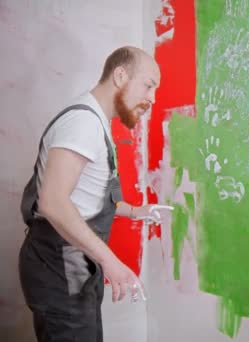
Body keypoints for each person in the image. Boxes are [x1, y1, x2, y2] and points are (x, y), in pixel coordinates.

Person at [18, 46, 173, 341]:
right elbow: (53, 202)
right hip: (58, 267)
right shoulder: (83, 123)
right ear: (120, 75)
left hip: (76, 264)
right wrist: (110, 261)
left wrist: (137, 211)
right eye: (149, 85)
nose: (152, 99)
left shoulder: (97, 122)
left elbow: (88, 198)